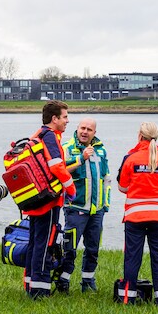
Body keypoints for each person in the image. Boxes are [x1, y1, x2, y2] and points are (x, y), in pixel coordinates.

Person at [116, 121, 158, 305]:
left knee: (132, 257)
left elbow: (122, 187)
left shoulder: (130, 158)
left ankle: (128, 298)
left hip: (135, 217)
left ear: (139, 135)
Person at [22, 100, 76, 300]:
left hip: (35, 197)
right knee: (45, 243)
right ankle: (40, 290)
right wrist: (71, 187)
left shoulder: (37, 135)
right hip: (48, 199)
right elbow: (56, 166)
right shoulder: (51, 137)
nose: (67, 121)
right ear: (54, 119)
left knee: (35, 241)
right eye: (65, 117)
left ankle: (30, 284)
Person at [53, 117, 110, 292]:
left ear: (94, 133)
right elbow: (60, 170)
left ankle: (88, 281)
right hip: (75, 207)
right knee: (69, 248)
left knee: (93, 248)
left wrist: (105, 204)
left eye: (89, 129)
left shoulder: (101, 150)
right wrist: (81, 158)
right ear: (77, 129)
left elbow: (106, 178)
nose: (85, 132)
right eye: (82, 128)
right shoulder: (67, 148)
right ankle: (63, 280)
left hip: (97, 210)